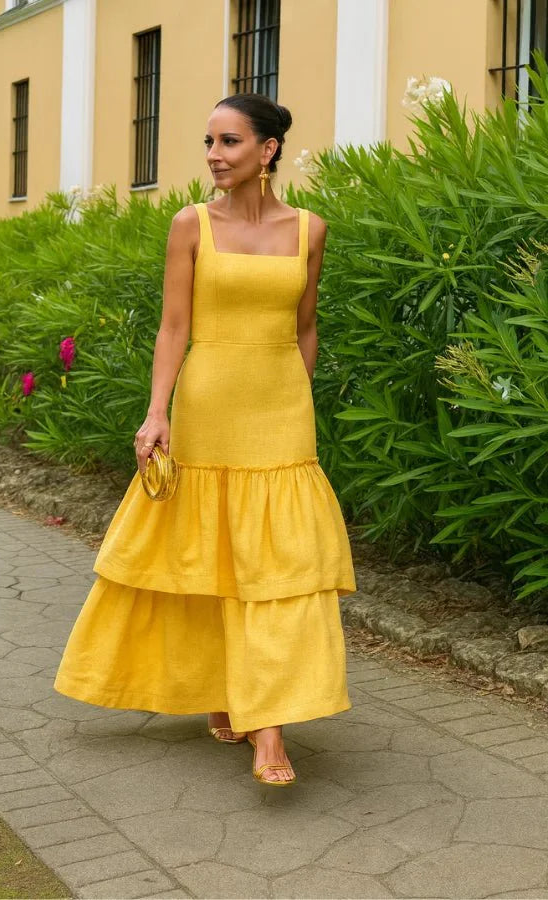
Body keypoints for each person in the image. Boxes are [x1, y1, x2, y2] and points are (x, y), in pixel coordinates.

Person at [53, 92, 357, 787]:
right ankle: (227, 694)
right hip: (207, 404)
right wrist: (157, 412)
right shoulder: (191, 225)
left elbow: (306, 325)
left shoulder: (311, 229)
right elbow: (173, 328)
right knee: (211, 554)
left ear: (267, 150)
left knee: (276, 566)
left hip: (279, 412)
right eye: (209, 143)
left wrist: (293, 394)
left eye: (229, 143)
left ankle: (269, 728)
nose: (215, 156)